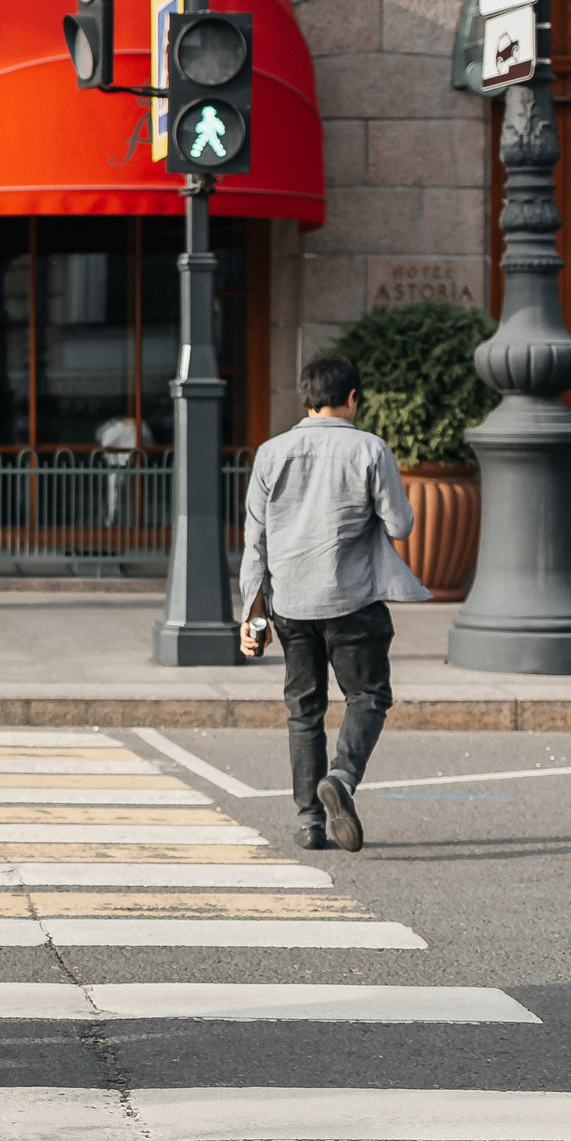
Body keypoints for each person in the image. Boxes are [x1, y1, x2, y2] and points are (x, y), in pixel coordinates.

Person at [235, 354, 429, 854]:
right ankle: (341, 778)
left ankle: (309, 823)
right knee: (368, 696)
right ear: (352, 399)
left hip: (290, 604)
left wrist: (252, 615)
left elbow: (254, 540)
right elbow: (401, 526)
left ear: (306, 399)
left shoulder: (271, 453)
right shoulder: (369, 449)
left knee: (304, 711)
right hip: (352, 600)